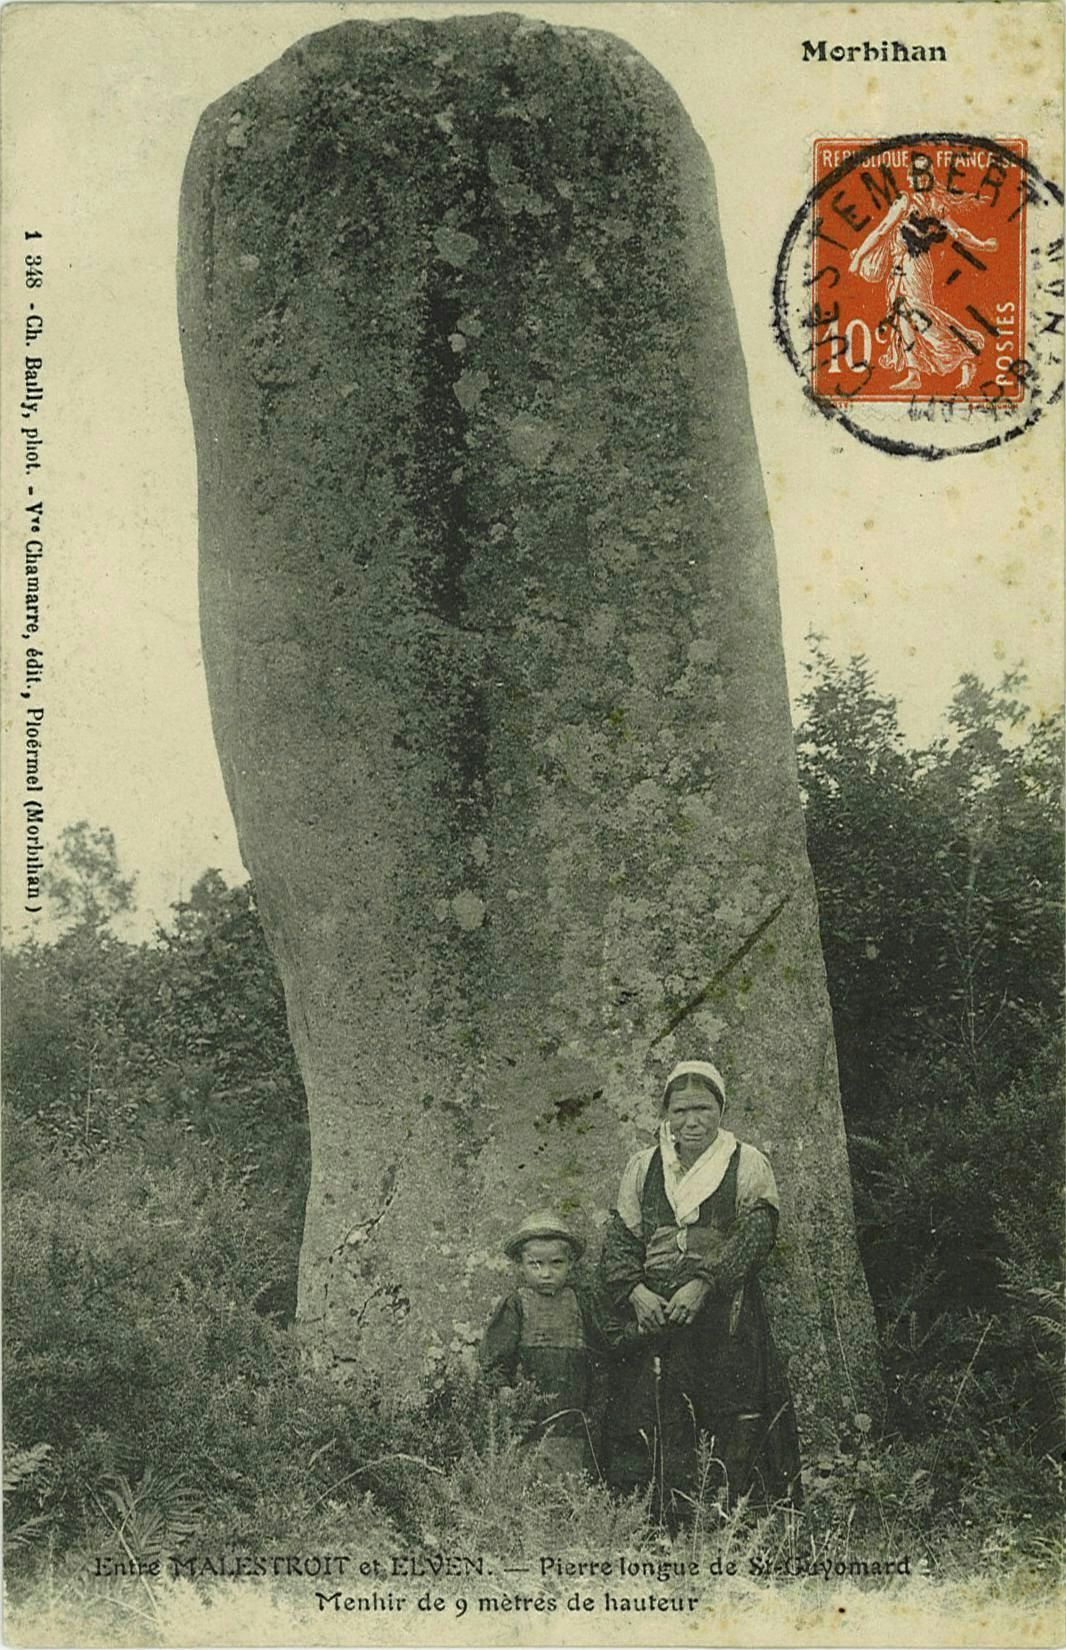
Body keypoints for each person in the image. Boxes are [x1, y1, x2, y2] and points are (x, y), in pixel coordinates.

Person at [599, 1059, 802, 1521]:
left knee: (733, 1418)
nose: (692, 1121)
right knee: (659, 1417)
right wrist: (635, 1293)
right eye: (681, 1110)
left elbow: (757, 1235)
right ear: (667, 1113)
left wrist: (704, 1282)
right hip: (659, 1318)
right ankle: (663, 1524)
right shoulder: (645, 1166)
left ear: (720, 1110)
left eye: (704, 1109)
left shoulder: (746, 1163)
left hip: (724, 1318)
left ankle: (736, 1523)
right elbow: (620, 1241)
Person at [479, 1209, 636, 1478]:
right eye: (535, 1264)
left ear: (571, 1263)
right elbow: (496, 1360)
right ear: (520, 1264)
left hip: (573, 1412)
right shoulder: (516, 1305)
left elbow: (604, 1347)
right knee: (530, 1472)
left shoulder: (581, 1302)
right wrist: (505, 1392)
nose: (546, 1273)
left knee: (573, 1477)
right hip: (531, 1414)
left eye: (556, 1263)